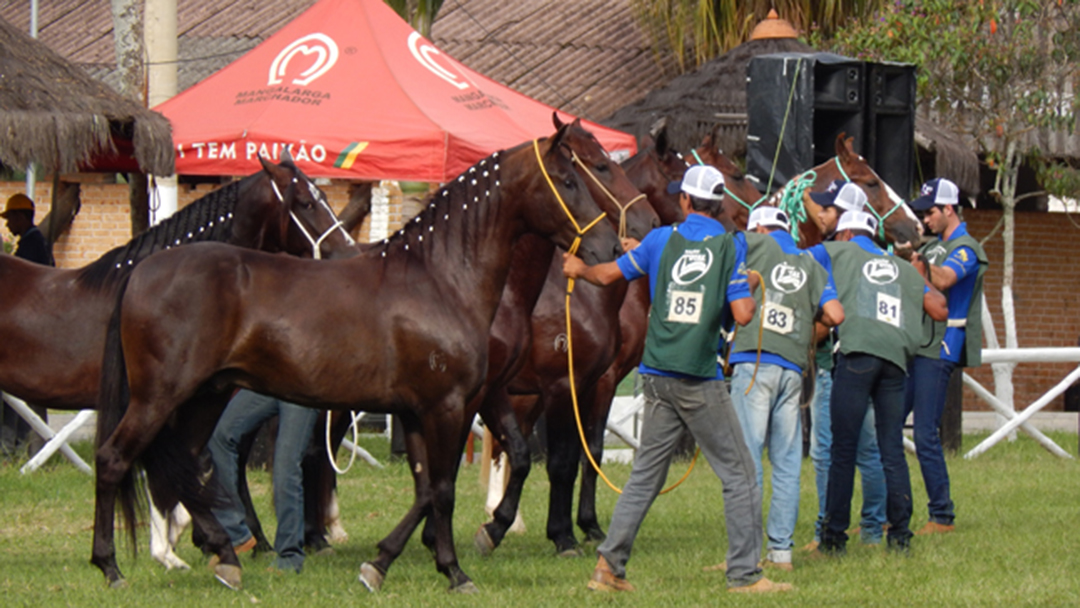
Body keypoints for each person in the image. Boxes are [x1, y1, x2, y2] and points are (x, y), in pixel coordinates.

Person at [563, 164, 791, 594]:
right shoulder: (730, 246)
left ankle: (608, 568)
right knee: (740, 474)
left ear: (685, 202)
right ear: (718, 204)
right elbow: (742, 315)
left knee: (645, 476)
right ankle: (744, 575)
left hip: (655, 376)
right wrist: (753, 283)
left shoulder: (660, 239)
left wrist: (578, 269)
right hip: (698, 379)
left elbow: (608, 274)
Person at [817, 210, 947, 556]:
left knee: (843, 449)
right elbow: (939, 308)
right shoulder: (902, 268)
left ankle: (834, 537)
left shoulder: (837, 250)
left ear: (845, 234)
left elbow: (797, 262)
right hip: (896, 360)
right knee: (892, 448)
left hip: (857, 352)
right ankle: (900, 536)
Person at [728, 206, 843, 571]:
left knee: (748, 462)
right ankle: (781, 553)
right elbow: (836, 316)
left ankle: (747, 556)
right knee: (788, 463)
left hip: (754, 361)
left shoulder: (748, 242)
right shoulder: (812, 263)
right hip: (794, 370)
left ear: (760, 226)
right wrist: (809, 311)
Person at [803, 181, 888, 550]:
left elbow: (827, 322)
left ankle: (828, 527)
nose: (822, 216)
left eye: (828, 210)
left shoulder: (832, 254)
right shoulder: (879, 257)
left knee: (826, 451)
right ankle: (872, 528)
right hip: (876, 359)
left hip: (836, 363)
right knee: (869, 450)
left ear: (846, 217)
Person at [905, 178, 988, 535]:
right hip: (916, 345)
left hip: (941, 348)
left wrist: (917, 265)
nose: (924, 218)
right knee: (885, 427)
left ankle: (942, 515)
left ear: (949, 209)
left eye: (930, 211)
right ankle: (883, 513)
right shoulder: (934, 246)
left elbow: (943, 279)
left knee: (925, 432)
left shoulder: (967, 248)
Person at [208, 390, 319, 574]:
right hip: (269, 380)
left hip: (303, 384)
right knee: (220, 437)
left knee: (286, 465)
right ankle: (235, 533)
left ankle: (290, 556)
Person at [1, 193, 54, 457]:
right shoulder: (35, 242)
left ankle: (12, 446)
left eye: (10, 218)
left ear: (21, 217)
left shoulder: (30, 247)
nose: (8, 225)